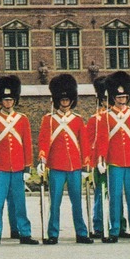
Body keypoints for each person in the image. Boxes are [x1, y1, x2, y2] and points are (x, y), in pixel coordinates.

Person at [37, 72, 92, 244]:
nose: (65, 101)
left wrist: (86, 164)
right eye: (62, 99)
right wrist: (42, 159)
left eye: (67, 99)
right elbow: (44, 142)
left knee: (77, 202)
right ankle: (52, 233)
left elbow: (84, 144)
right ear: (57, 100)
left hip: (74, 167)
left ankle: (81, 232)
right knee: (55, 203)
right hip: (56, 167)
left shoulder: (77, 120)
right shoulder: (49, 120)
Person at [0, 74, 37, 245]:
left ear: (15, 100)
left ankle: (24, 232)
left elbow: (27, 144)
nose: (8, 103)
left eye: (10, 100)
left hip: (18, 167)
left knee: (20, 203)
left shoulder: (23, 119)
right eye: (5, 100)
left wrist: (28, 167)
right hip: (0, 167)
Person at [94, 70, 130, 242]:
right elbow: (102, 141)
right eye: (119, 97)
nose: (122, 99)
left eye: (124, 97)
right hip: (114, 163)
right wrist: (101, 160)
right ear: (113, 97)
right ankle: (114, 229)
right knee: (115, 198)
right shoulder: (106, 117)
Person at [85, 75, 109, 239]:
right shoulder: (96, 119)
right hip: (99, 162)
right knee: (100, 194)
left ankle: (118, 224)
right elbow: (90, 143)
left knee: (115, 195)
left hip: (114, 161)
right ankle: (98, 224)